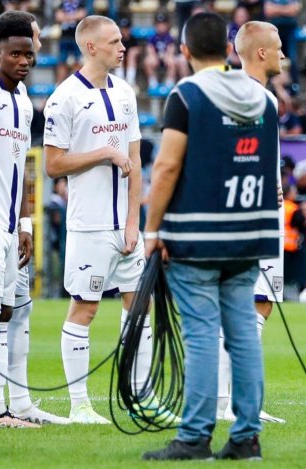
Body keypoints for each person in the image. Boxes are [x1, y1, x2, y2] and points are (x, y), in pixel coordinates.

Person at [142, 12, 279, 461]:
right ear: (227, 48)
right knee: (242, 333)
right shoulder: (264, 99)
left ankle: (195, 436)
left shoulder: (187, 94)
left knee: (202, 334)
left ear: (184, 52)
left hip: (197, 236)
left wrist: (152, 229)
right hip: (249, 234)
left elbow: (165, 167)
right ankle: (246, 437)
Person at [44, 15, 178, 425]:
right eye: (115, 41)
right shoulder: (63, 98)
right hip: (89, 225)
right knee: (84, 311)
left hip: (127, 226)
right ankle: (80, 405)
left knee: (140, 306)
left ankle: (141, 396)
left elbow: (136, 159)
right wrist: (103, 153)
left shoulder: (124, 92)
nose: (123, 47)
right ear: (90, 47)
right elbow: (53, 165)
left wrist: (135, 221)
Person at [0, 10, 63, 427]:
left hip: (11, 224)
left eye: (29, 54)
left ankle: (1, 406)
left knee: (5, 313)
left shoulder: (25, 102)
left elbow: (19, 167)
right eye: (15, 54)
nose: (24, 61)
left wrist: (25, 224)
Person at [215, 20, 287, 425]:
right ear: (260, 53)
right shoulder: (248, 97)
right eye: (277, 47)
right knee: (246, 306)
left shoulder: (262, 97)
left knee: (259, 306)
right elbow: (234, 153)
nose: (283, 54)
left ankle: (238, 400)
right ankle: (233, 402)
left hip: (263, 215)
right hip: (251, 218)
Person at [143, 12, 186, 89]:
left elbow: (171, 47)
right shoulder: (153, 36)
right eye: (159, 24)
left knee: (173, 61)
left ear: (167, 25)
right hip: (156, 58)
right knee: (147, 61)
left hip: (166, 58)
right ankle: (153, 82)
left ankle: (170, 82)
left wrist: (169, 55)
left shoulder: (169, 36)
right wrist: (153, 56)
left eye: (163, 24)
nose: (161, 26)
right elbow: (150, 48)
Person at [55, 0, 87, 84]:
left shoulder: (81, 3)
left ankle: (76, 83)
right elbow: (58, 17)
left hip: (77, 38)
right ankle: (59, 84)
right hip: (64, 37)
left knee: (78, 62)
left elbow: (82, 15)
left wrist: (66, 17)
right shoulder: (62, 4)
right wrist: (74, 16)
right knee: (62, 62)